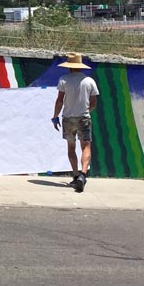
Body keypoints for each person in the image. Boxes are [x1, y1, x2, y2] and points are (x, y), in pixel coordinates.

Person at [51, 53, 99, 192]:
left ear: (69, 67)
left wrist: (55, 116)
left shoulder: (64, 80)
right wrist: (85, 111)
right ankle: (83, 175)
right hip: (83, 118)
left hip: (68, 118)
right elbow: (93, 103)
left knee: (71, 148)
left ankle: (76, 175)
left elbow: (60, 100)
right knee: (86, 147)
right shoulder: (89, 81)